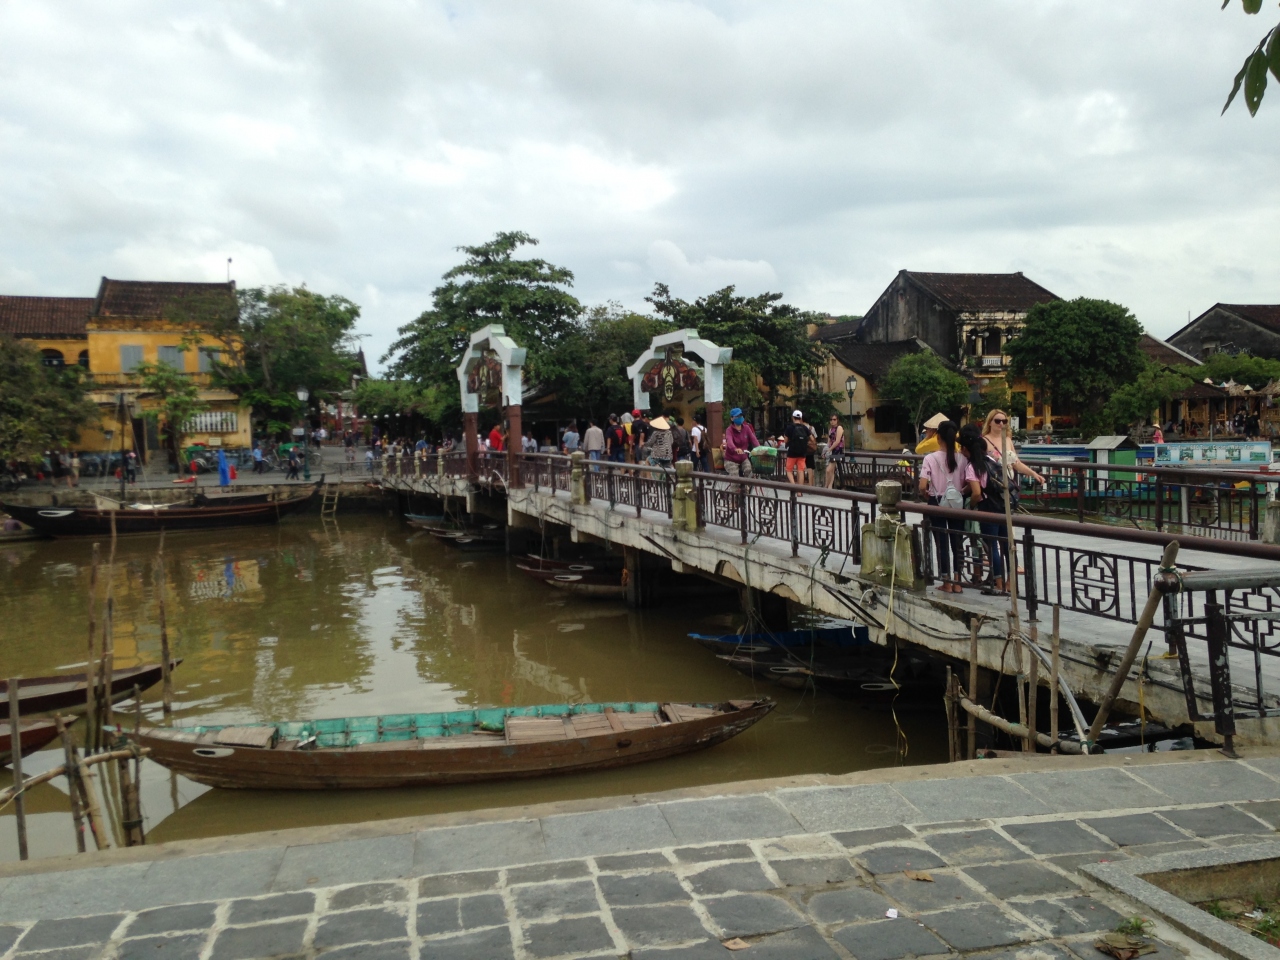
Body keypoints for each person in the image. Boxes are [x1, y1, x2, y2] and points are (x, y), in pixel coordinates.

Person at [918, 421, 968, 593]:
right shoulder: (963, 458)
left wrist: (927, 493)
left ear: (938, 437)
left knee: (942, 542)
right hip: (957, 502)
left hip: (937, 502)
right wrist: (960, 492)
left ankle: (946, 581)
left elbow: (922, 485)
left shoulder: (930, 458)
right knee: (957, 541)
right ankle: (958, 582)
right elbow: (968, 482)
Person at [960, 429, 1006, 593]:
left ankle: (998, 584)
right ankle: (1008, 583)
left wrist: (972, 506)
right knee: (1005, 545)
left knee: (991, 545)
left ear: (966, 449)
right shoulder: (991, 460)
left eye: (961, 448)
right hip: (1002, 506)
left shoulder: (972, 467)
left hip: (987, 507)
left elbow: (976, 492)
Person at [983, 409, 1044, 490]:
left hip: (1008, 484)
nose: (1001, 423)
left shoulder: (1008, 440)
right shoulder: (984, 441)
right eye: (997, 421)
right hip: (993, 485)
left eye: (1004, 421)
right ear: (989, 423)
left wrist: (1034, 474)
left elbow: (1016, 463)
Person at [722, 408, 757, 476]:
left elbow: (754, 439)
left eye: (740, 416)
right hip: (731, 459)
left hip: (743, 458)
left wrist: (760, 449)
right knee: (735, 477)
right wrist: (735, 449)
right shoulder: (729, 430)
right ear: (732, 418)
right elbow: (729, 441)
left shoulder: (746, 428)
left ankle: (746, 483)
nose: (739, 418)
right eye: (737, 416)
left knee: (749, 471)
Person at [783, 410, 812, 485]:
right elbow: (811, 438)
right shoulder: (805, 428)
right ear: (801, 418)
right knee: (800, 471)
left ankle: (793, 486)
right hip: (802, 452)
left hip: (792, 452)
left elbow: (785, 441)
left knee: (789, 470)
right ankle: (800, 490)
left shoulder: (790, 428)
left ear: (793, 417)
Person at [824, 414, 846, 488]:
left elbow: (837, 441)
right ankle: (829, 487)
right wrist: (825, 451)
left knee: (828, 470)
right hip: (833, 450)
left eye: (834, 419)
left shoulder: (839, 428)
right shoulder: (831, 429)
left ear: (837, 420)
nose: (832, 421)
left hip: (838, 451)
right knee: (831, 470)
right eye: (831, 420)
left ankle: (826, 486)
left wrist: (829, 449)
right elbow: (829, 442)